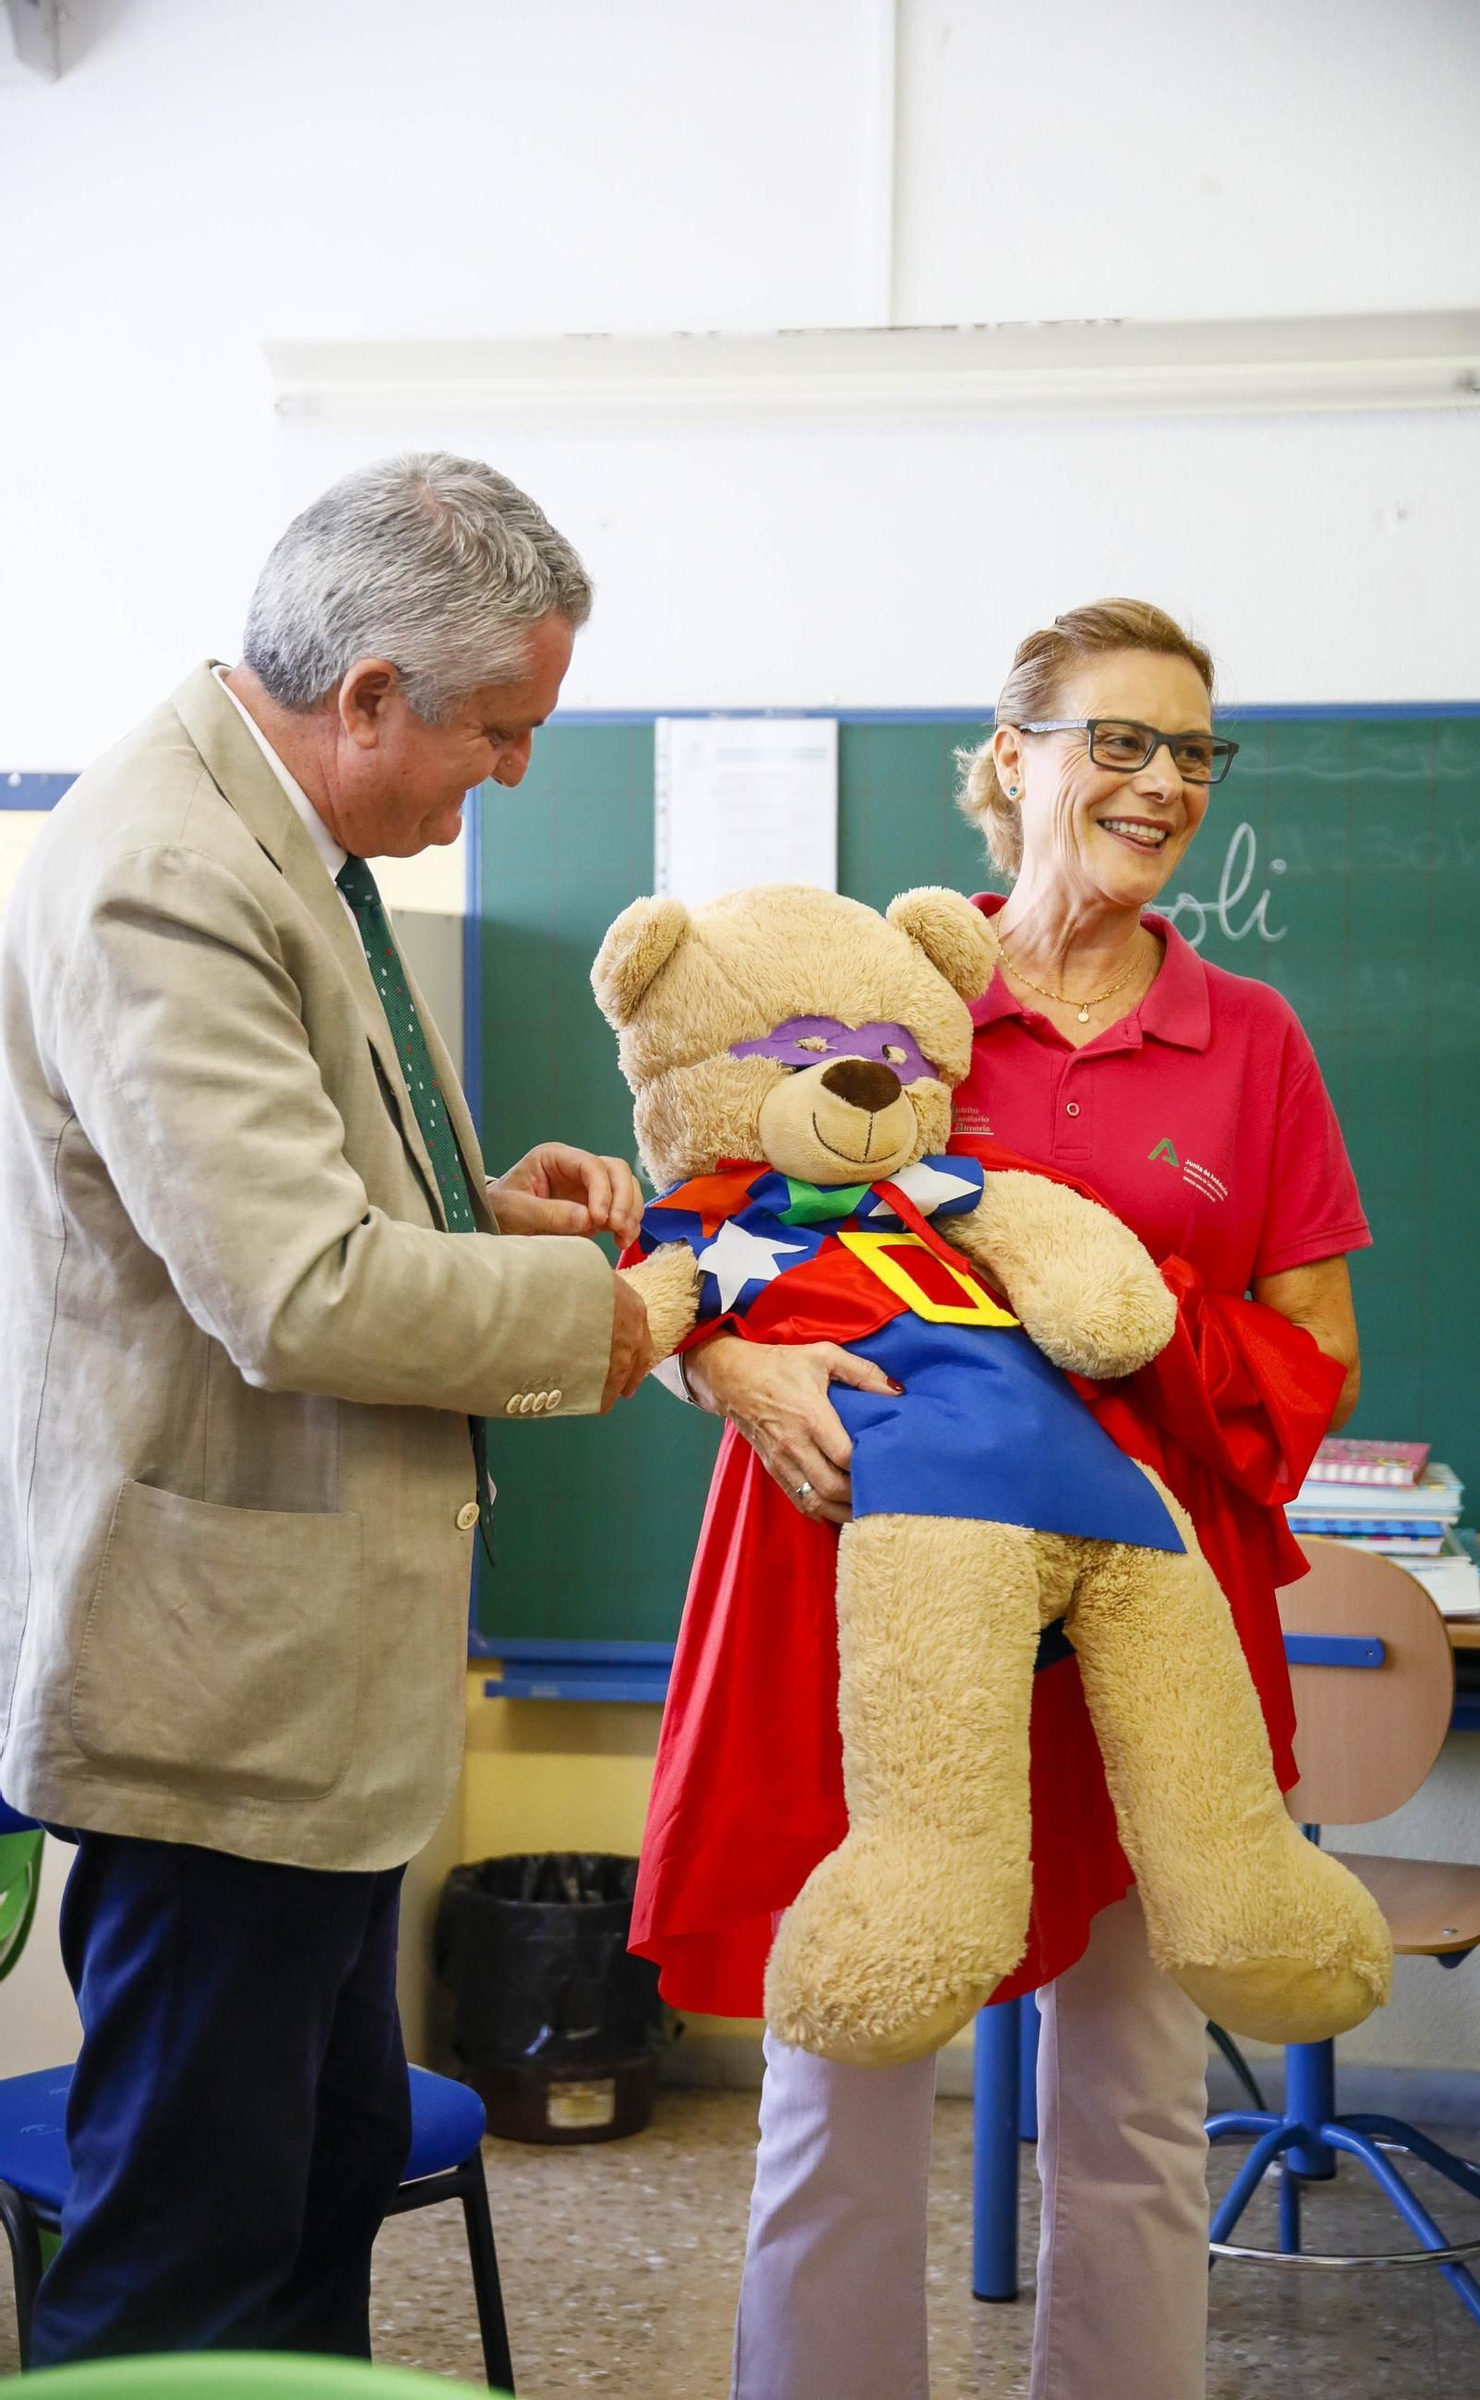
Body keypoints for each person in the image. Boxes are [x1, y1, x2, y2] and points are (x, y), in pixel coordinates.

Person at [663, 601, 1371, 2400]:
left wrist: (1113, 1319)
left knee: (1133, 2102)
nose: (1161, 783)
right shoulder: (883, 993)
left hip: (1145, 1605)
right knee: (844, 2069)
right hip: (875, 1598)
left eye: (1192, 752)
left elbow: (1318, 1352)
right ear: (1010, 759)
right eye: (1117, 741)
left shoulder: (1250, 1038)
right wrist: (720, 1367)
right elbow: (715, 1241)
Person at [0, 452, 654, 2365]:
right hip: (218, 1696)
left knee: (315, 2176)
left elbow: (308, 1195)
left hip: (314, 1688)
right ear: (370, 695)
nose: (511, 773)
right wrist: (609, 1315)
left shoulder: (292, 841)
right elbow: (294, 1291)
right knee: (186, 2253)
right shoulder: (168, 868)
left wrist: (492, 1212)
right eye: (502, 731)